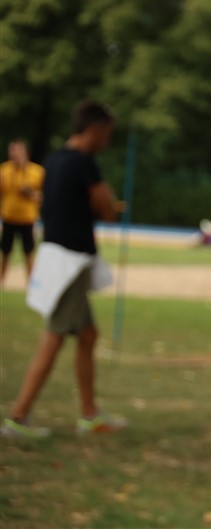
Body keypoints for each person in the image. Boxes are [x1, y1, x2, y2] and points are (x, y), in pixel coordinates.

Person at [1, 100, 127, 439]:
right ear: (94, 130)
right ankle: (18, 417)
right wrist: (108, 199)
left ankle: (89, 414)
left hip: (56, 255)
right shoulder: (84, 163)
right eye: (106, 135)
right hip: (69, 263)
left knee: (87, 335)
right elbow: (108, 209)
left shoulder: (54, 160)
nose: (107, 142)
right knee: (54, 336)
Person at [0, 139, 45, 284]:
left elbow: (44, 197)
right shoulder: (4, 171)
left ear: (25, 153)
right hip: (9, 217)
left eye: (17, 151)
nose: (14, 154)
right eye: (12, 151)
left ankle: (31, 282)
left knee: (28, 251)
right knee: (5, 251)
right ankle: (2, 281)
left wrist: (30, 194)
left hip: (27, 219)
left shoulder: (37, 172)